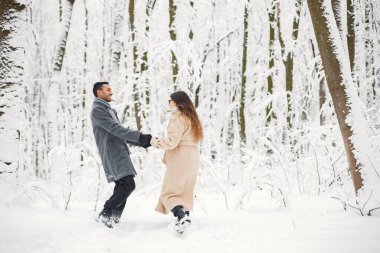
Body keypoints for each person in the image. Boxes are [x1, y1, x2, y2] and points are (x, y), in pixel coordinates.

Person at [90, 81, 152, 228]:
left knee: (122, 185)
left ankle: (113, 220)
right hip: (113, 153)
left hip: (119, 151)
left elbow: (120, 133)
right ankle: (106, 214)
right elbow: (116, 129)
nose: (111, 92)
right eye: (108, 89)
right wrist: (139, 137)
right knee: (128, 185)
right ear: (99, 92)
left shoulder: (108, 109)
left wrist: (142, 142)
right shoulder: (98, 110)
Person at [150, 90, 203, 233]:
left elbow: (172, 142)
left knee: (168, 193)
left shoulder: (178, 118)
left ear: (177, 102)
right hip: (192, 157)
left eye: (170, 101)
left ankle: (181, 217)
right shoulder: (192, 118)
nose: (168, 103)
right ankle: (185, 218)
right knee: (184, 190)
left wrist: (154, 141)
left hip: (180, 157)